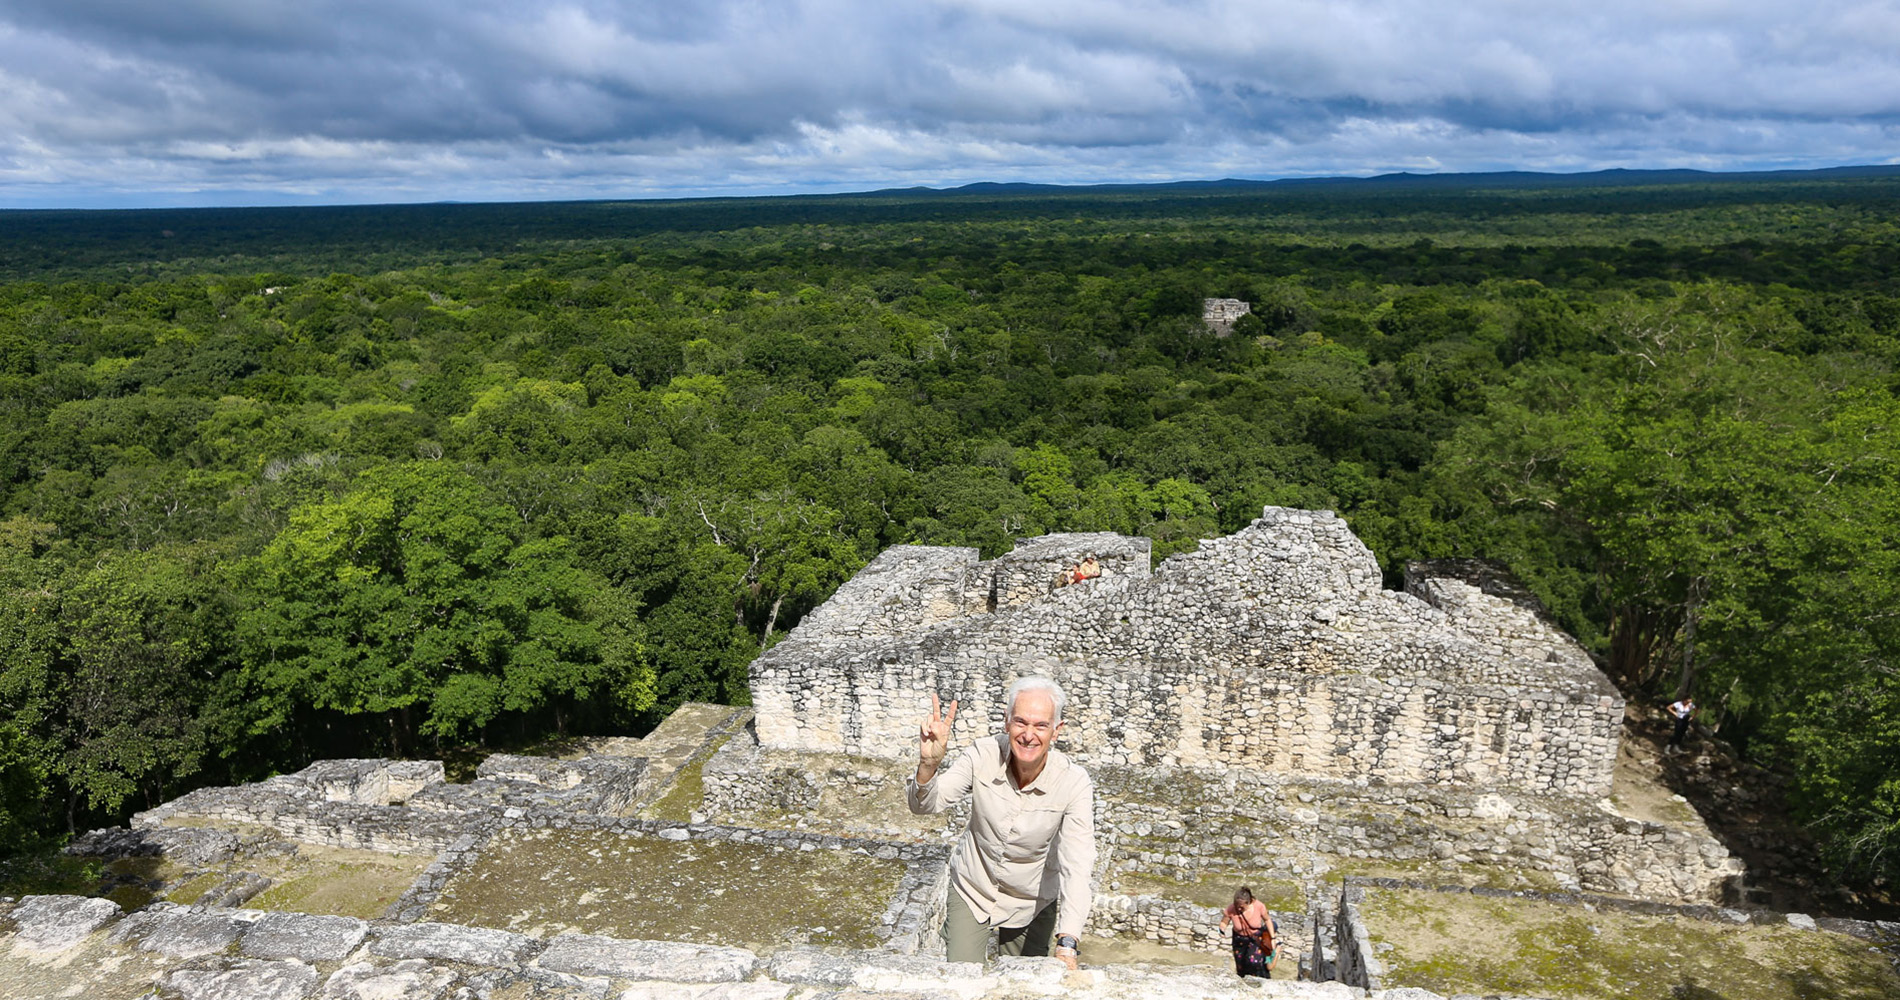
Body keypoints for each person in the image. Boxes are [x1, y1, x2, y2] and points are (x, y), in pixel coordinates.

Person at [907, 676, 1096, 969]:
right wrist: (929, 765)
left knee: (1025, 984)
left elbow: (1078, 863)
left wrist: (1068, 941)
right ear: (1006, 721)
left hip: (1033, 899)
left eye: (1041, 725)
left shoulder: (1074, 783)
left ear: (1057, 731)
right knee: (960, 979)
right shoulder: (982, 754)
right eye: (1020, 722)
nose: (1028, 735)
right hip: (974, 888)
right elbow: (925, 805)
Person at [1219, 886, 1277, 978]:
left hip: (1255, 939)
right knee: (1241, 965)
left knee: (1254, 962)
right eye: (1237, 906)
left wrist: (1272, 937)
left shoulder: (1259, 906)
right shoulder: (1231, 909)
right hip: (1239, 940)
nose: (1238, 909)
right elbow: (1224, 922)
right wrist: (1222, 930)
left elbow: (1267, 920)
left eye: (1241, 907)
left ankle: (1257, 979)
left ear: (1248, 902)